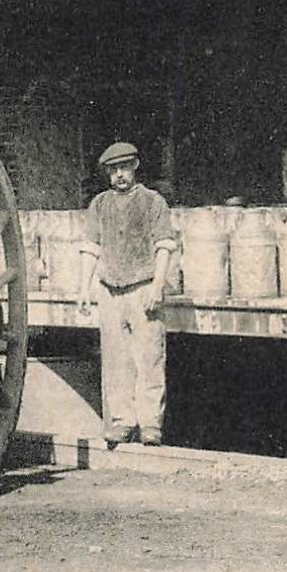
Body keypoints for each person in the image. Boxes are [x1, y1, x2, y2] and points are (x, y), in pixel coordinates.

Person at [76, 142, 177, 448]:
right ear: (108, 173)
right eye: (113, 170)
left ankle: (150, 425)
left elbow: (164, 245)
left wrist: (158, 285)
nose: (119, 175)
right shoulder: (99, 205)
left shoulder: (152, 202)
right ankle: (122, 422)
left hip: (144, 288)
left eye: (124, 168)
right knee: (116, 360)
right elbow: (91, 248)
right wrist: (84, 288)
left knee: (149, 357)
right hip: (110, 290)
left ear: (135, 167)